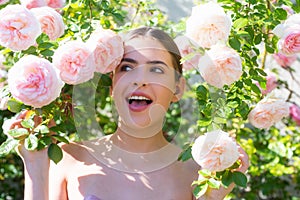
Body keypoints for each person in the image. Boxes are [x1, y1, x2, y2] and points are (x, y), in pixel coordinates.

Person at [11, 27, 249, 200]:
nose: (140, 80)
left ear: (177, 88)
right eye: (127, 67)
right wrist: (35, 164)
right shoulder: (70, 158)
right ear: (113, 85)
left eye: (156, 69)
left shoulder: (195, 173)